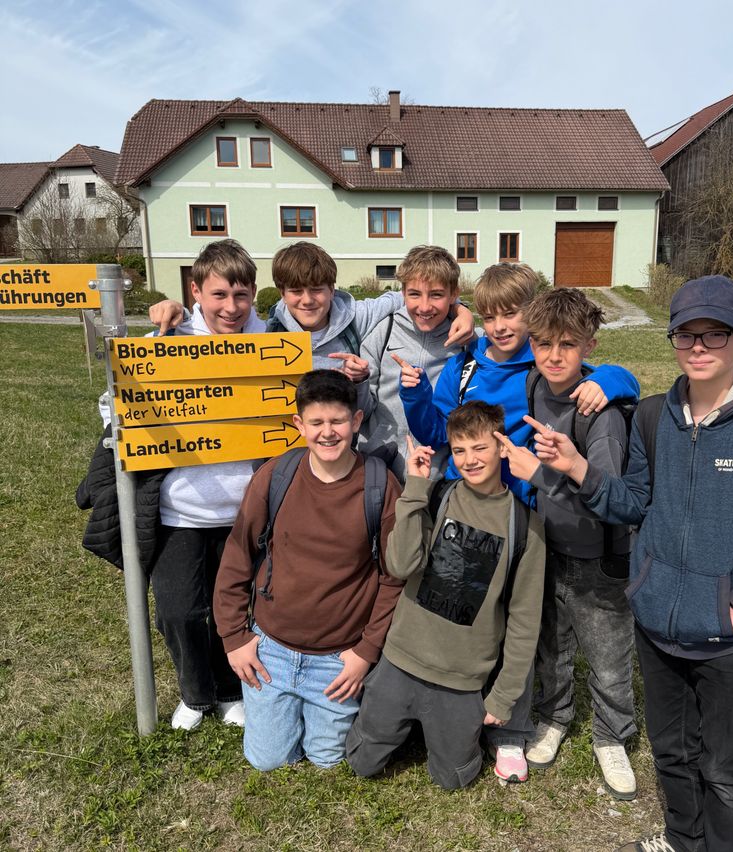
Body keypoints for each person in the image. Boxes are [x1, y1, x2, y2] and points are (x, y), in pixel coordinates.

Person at [528, 276, 733, 852]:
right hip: (657, 628)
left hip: (731, 642)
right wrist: (578, 470)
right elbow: (634, 502)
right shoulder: (651, 417)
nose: (698, 347)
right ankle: (681, 840)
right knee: (672, 755)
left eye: (714, 334)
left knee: (725, 768)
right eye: (685, 334)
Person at [97, 238, 265, 730]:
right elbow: (115, 406)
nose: (231, 307)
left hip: (245, 512)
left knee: (237, 607)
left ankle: (232, 688)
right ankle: (196, 694)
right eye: (218, 295)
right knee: (179, 610)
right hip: (181, 511)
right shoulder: (165, 343)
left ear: (254, 294)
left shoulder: (271, 343)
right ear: (196, 291)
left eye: (241, 295)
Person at [346, 402, 545, 789]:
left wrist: (503, 695)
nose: (469, 460)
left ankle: (438, 730)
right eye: (459, 450)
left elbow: (524, 621)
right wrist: (415, 490)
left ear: (502, 447)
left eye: (480, 448)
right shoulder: (437, 496)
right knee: (362, 762)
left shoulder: (525, 527)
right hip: (401, 660)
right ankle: (405, 723)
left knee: (454, 778)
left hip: (461, 678)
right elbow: (401, 566)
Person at [213, 369, 404, 770]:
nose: (327, 432)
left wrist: (364, 653)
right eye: (316, 422)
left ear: (356, 422)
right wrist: (234, 637)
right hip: (272, 651)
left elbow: (394, 578)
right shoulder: (276, 475)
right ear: (299, 425)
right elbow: (238, 555)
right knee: (267, 761)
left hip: (339, 659)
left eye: (337, 421)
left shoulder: (379, 486)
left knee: (327, 760)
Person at [494, 287, 638, 800]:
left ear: (590, 346)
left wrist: (540, 477)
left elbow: (612, 501)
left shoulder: (602, 416)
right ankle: (554, 718)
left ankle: (612, 735)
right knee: (550, 646)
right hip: (543, 548)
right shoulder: (533, 382)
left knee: (608, 655)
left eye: (568, 345)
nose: (554, 356)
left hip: (599, 559)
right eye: (544, 343)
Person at [396, 263, 639, 502]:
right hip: (465, 496)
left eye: (510, 314)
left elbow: (617, 381)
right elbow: (438, 435)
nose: (499, 327)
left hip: (522, 501)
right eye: (489, 318)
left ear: (531, 312)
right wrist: (415, 395)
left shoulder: (543, 364)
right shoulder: (461, 368)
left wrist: (608, 380)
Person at [148, 241, 475, 412]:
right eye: (296, 291)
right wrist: (182, 312)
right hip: (282, 453)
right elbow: (215, 328)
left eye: (317, 289)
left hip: (343, 450)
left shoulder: (356, 318)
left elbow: (407, 297)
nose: (307, 300)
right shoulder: (266, 332)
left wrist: (461, 312)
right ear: (282, 293)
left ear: (332, 290)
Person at [358, 245, 468, 481]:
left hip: (438, 473)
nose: (425, 306)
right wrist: (357, 382)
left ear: (453, 294)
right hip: (380, 471)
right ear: (403, 292)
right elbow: (363, 410)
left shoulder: (466, 339)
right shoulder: (383, 331)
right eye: (415, 294)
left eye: (436, 295)